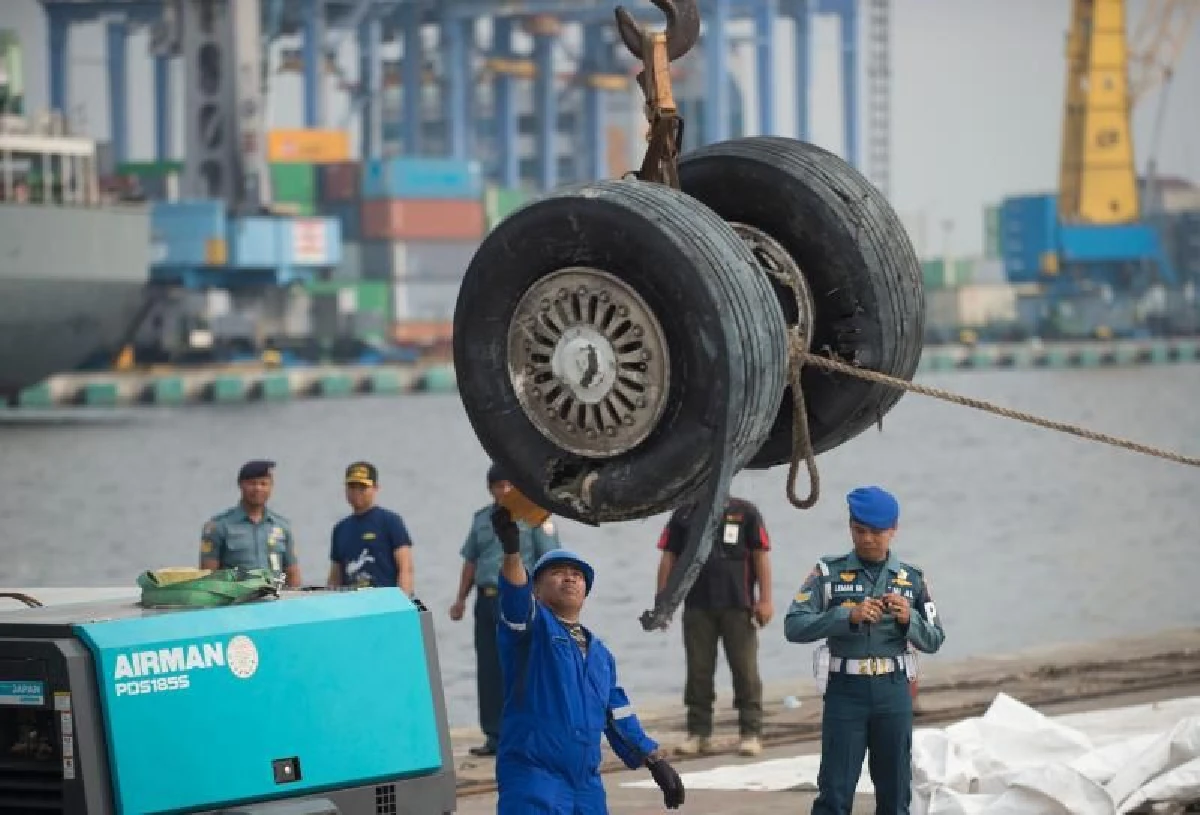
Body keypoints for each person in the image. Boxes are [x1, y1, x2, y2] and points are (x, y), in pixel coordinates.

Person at [489, 504, 685, 814]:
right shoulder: (531, 630)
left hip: (585, 785)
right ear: (536, 590)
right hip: (534, 777)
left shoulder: (600, 656)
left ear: (585, 591)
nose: (569, 578)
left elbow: (618, 713)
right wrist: (512, 552)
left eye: (577, 575)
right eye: (557, 573)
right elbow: (514, 597)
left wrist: (654, 760)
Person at [784, 485, 946, 815]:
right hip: (846, 692)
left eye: (876, 532)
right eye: (860, 531)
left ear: (893, 529)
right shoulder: (828, 573)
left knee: (895, 792)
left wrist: (908, 619)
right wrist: (847, 616)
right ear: (850, 527)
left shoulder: (912, 579)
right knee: (835, 791)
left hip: (893, 691)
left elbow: (934, 639)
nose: (868, 539)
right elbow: (794, 625)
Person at [448, 464, 561, 757]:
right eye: (498, 486)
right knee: (489, 669)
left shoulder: (533, 515)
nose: (504, 491)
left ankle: (527, 735)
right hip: (486, 599)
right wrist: (460, 599)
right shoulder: (482, 518)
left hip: (520, 601)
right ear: (490, 489)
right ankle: (495, 735)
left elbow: (549, 560)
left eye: (509, 485)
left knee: (523, 667)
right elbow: (471, 560)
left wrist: (549, 603)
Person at [655, 496, 774, 757]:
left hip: (739, 605)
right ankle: (698, 733)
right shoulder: (683, 514)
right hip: (697, 606)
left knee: (745, 671)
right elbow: (669, 556)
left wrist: (765, 600)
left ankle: (751, 732)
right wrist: (663, 603)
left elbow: (760, 555)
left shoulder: (745, 512)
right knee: (698, 672)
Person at [200, 459, 301, 587]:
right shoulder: (218, 526)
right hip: (236, 597)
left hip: (275, 597)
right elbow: (208, 577)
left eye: (263, 484)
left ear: (271, 487)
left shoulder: (281, 526)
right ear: (241, 485)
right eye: (252, 483)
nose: (258, 488)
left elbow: (292, 574)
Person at [327, 461, 414, 595]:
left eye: (362, 487)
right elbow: (335, 577)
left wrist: (403, 601)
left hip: (385, 601)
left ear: (375, 488)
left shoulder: (391, 521)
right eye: (352, 487)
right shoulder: (340, 529)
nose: (356, 492)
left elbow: (406, 568)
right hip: (353, 602)